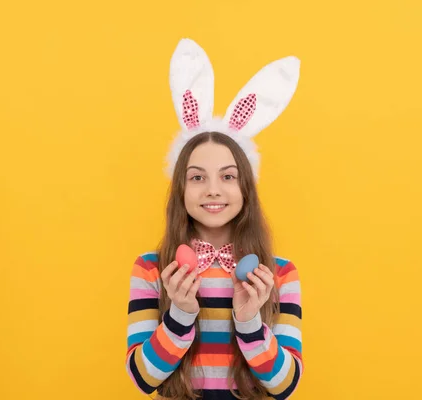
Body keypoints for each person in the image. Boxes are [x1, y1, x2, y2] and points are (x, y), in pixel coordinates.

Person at [125, 38, 303, 400]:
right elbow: (144, 379)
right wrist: (181, 313)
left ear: (245, 189)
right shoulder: (151, 269)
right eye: (197, 177)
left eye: (227, 176)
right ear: (180, 188)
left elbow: (285, 386)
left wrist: (250, 320)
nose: (212, 190)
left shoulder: (279, 273)